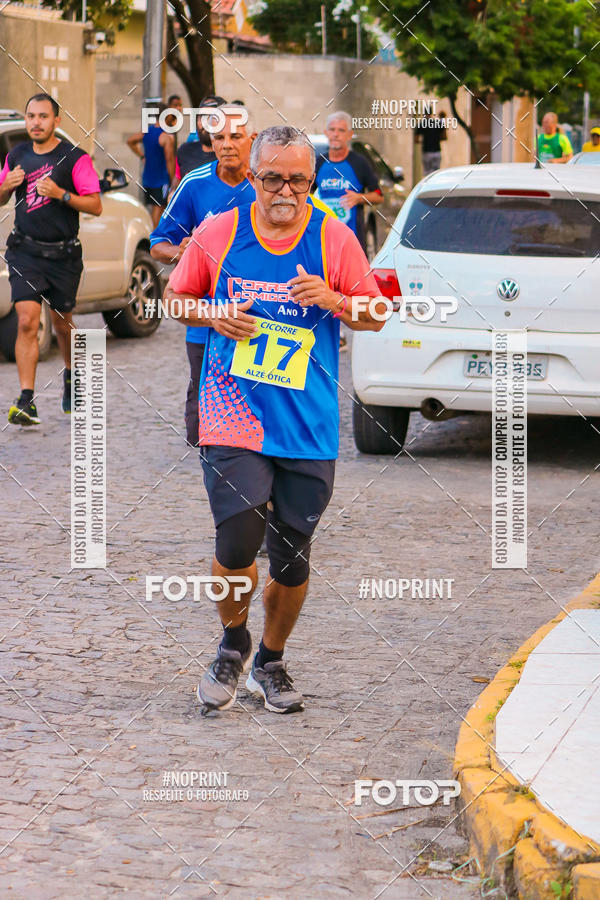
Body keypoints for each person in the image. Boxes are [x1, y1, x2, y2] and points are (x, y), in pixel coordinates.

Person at [165, 126, 385, 714]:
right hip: (232, 414)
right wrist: (213, 313)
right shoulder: (220, 231)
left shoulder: (334, 237)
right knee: (237, 540)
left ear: (312, 181)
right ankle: (231, 644)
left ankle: (270, 660)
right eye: (273, 179)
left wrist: (334, 299)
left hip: (306, 424)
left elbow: (376, 313)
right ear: (253, 177)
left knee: (291, 555)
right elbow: (176, 298)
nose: (285, 190)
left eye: (298, 180)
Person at [150, 106, 255, 447]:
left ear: (252, 139)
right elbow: (157, 244)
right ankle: (211, 455)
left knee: (257, 397)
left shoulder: (268, 184)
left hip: (259, 315)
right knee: (202, 403)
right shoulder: (195, 184)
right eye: (219, 138)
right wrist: (186, 253)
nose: (226, 144)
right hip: (204, 318)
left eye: (235, 136)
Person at [0, 93, 102, 427]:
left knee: (61, 323)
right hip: (25, 252)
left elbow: (95, 205)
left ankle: (72, 375)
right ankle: (26, 400)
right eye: (31, 116)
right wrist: (5, 187)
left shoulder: (74, 158)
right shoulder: (16, 155)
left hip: (63, 255)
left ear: (56, 121)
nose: (36, 122)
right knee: (27, 321)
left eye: (43, 116)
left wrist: (61, 194)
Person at [313, 110, 383, 254]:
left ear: (349, 135)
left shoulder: (359, 163)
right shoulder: (319, 162)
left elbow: (378, 196)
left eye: (341, 130)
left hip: (352, 239)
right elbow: (305, 194)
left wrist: (359, 198)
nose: (336, 134)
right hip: (323, 238)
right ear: (326, 133)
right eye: (332, 130)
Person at [127, 104, 176, 226]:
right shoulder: (165, 137)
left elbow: (130, 141)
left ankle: (153, 233)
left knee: (154, 210)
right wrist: (173, 180)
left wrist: (142, 155)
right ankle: (154, 236)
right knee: (158, 210)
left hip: (147, 180)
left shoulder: (147, 131)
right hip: (161, 181)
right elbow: (169, 160)